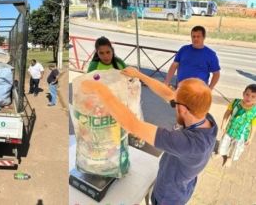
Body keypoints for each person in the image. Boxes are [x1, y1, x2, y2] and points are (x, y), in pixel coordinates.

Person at [81, 67, 217, 205]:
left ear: (182, 109)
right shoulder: (203, 116)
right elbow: (168, 95)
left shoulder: (188, 144)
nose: (173, 100)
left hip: (168, 197)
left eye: (176, 104)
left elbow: (132, 125)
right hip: (182, 183)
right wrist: (139, 75)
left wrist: (100, 90)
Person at [219, 84, 256, 167]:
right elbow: (227, 113)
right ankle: (221, 152)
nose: (249, 98)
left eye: (253, 97)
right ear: (243, 94)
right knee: (224, 142)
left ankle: (229, 158)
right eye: (247, 94)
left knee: (235, 147)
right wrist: (223, 124)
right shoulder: (235, 102)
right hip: (229, 129)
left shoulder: (255, 111)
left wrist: (250, 138)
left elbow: (254, 126)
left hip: (241, 134)